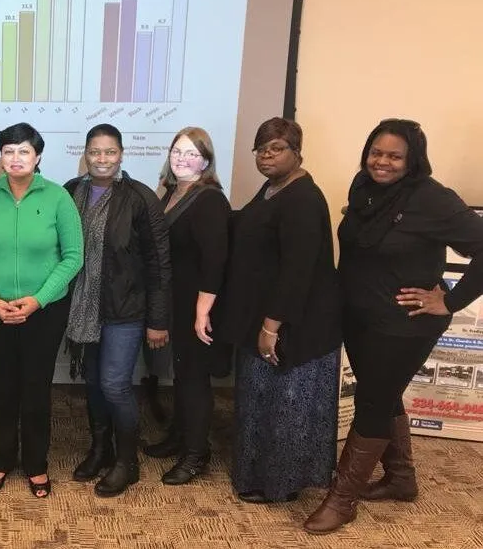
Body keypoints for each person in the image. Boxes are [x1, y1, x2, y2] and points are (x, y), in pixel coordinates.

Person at [304, 119, 483, 534]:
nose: (381, 162)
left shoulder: (433, 199)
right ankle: (401, 478)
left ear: (413, 160)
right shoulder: (363, 187)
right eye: (376, 153)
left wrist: (449, 299)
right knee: (381, 395)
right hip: (360, 316)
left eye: (394, 156)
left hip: (404, 325)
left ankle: (342, 498)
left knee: (372, 402)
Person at [215, 117, 342, 505]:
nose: (267, 156)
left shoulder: (303, 197)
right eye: (261, 149)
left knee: (288, 406)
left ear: (297, 152)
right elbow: (245, 226)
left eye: (276, 149)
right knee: (261, 402)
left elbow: (297, 270)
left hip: (296, 324)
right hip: (265, 315)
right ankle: (256, 476)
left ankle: (282, 486)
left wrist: (271, 327)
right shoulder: (272, 189)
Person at [0, 122, 83, 498]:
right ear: (0, 157)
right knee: (1, 388)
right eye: (9, 151)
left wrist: (38, 299)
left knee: (35, 389)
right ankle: (1, 458)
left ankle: (36, 463)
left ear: (38, 157)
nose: (15, 158)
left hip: (43, 313)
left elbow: (74, 256)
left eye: (24, 151)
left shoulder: (58, 198)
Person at [64, 124, 171, 497]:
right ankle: (100, 449)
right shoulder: (70, 192)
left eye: (110, 152)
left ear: (122, 154)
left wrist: (158, 320)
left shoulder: (140, 198)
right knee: (94, 383)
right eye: (95, 152)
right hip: (83, 307)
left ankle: (127, 461)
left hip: (126, 309)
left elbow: (159, 263)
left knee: (114, 384)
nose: (102, 159)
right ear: (86, 154)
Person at [144, 127, 231, 486]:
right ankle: (180, 437)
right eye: (177, 151)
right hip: (175, 302)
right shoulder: (170, 193)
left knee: (194, 379)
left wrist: (202, 312)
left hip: (199, 306)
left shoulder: (209, 199)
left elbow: (216, 260)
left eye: (192, 153)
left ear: (206, 160)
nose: (182, 158)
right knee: (182, 374)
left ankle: (197, 454)